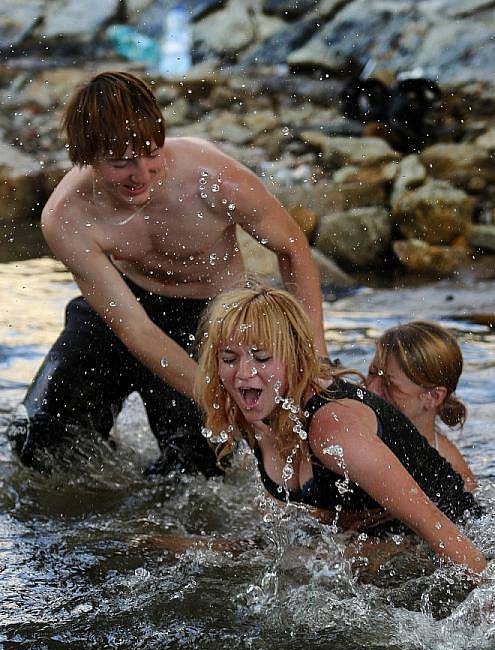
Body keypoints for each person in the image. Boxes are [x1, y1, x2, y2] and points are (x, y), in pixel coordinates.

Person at [6, 71, 325, 476]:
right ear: (85, 157)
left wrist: (314, 354)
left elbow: (292, 248)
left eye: (150, 153)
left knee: (194, 473)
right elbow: (134, 328)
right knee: (37, 441)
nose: (141, 174)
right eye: (121, 164)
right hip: (123, 306)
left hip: (211, 313)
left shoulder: (211, 179)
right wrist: (212, 392)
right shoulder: (67, 216)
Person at [195, 283, 486, 578]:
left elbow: (440, 528)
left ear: (295, 359)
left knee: (286, 564)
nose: (244, 374)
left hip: (446, 538)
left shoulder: (332, 428)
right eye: (229, 359)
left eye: (262, 358)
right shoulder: (249, 407)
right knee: (187, 551)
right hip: (367, 543)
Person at [366, 321, 476, 491]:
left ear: (433, 396)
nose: (371, 390)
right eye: (372, 374)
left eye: (389, 385)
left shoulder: (455, 479)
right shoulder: (355, 424)